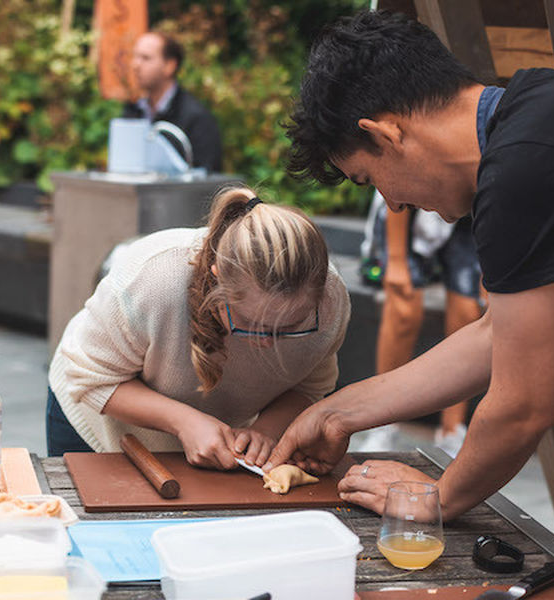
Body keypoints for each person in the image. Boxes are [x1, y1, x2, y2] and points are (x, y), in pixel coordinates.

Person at [266, 11, 554, 596]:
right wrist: (337, 412)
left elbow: (523, 404)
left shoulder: (523, 173)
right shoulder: (547, 105)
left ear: (385, 134)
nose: (393, 206)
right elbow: (495, 336)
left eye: (369, 177)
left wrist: (436, 498)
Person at [47, 184, 351, 471]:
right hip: (95, 425)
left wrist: (266, 431)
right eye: (248, 324)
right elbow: (92, 378)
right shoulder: (152, 279)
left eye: (291, 326)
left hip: (209, 439)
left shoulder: (330, 302)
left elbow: (310, 385)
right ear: (217, 279)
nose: (266, 344)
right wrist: (183, 421)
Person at [359, 191, 483, 456]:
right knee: (403, 308)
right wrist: (395, 262)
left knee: (469, 312)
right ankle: (383, 423)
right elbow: (394, 179)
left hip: (468, 213)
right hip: (404, 206)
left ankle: (452, 430)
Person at [124, 30, 223, 173]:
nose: (135, 65)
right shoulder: (133, 111)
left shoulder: (197, 118)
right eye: (135, 56)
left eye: (145, 58)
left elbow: (207, 180)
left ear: (169, 66)